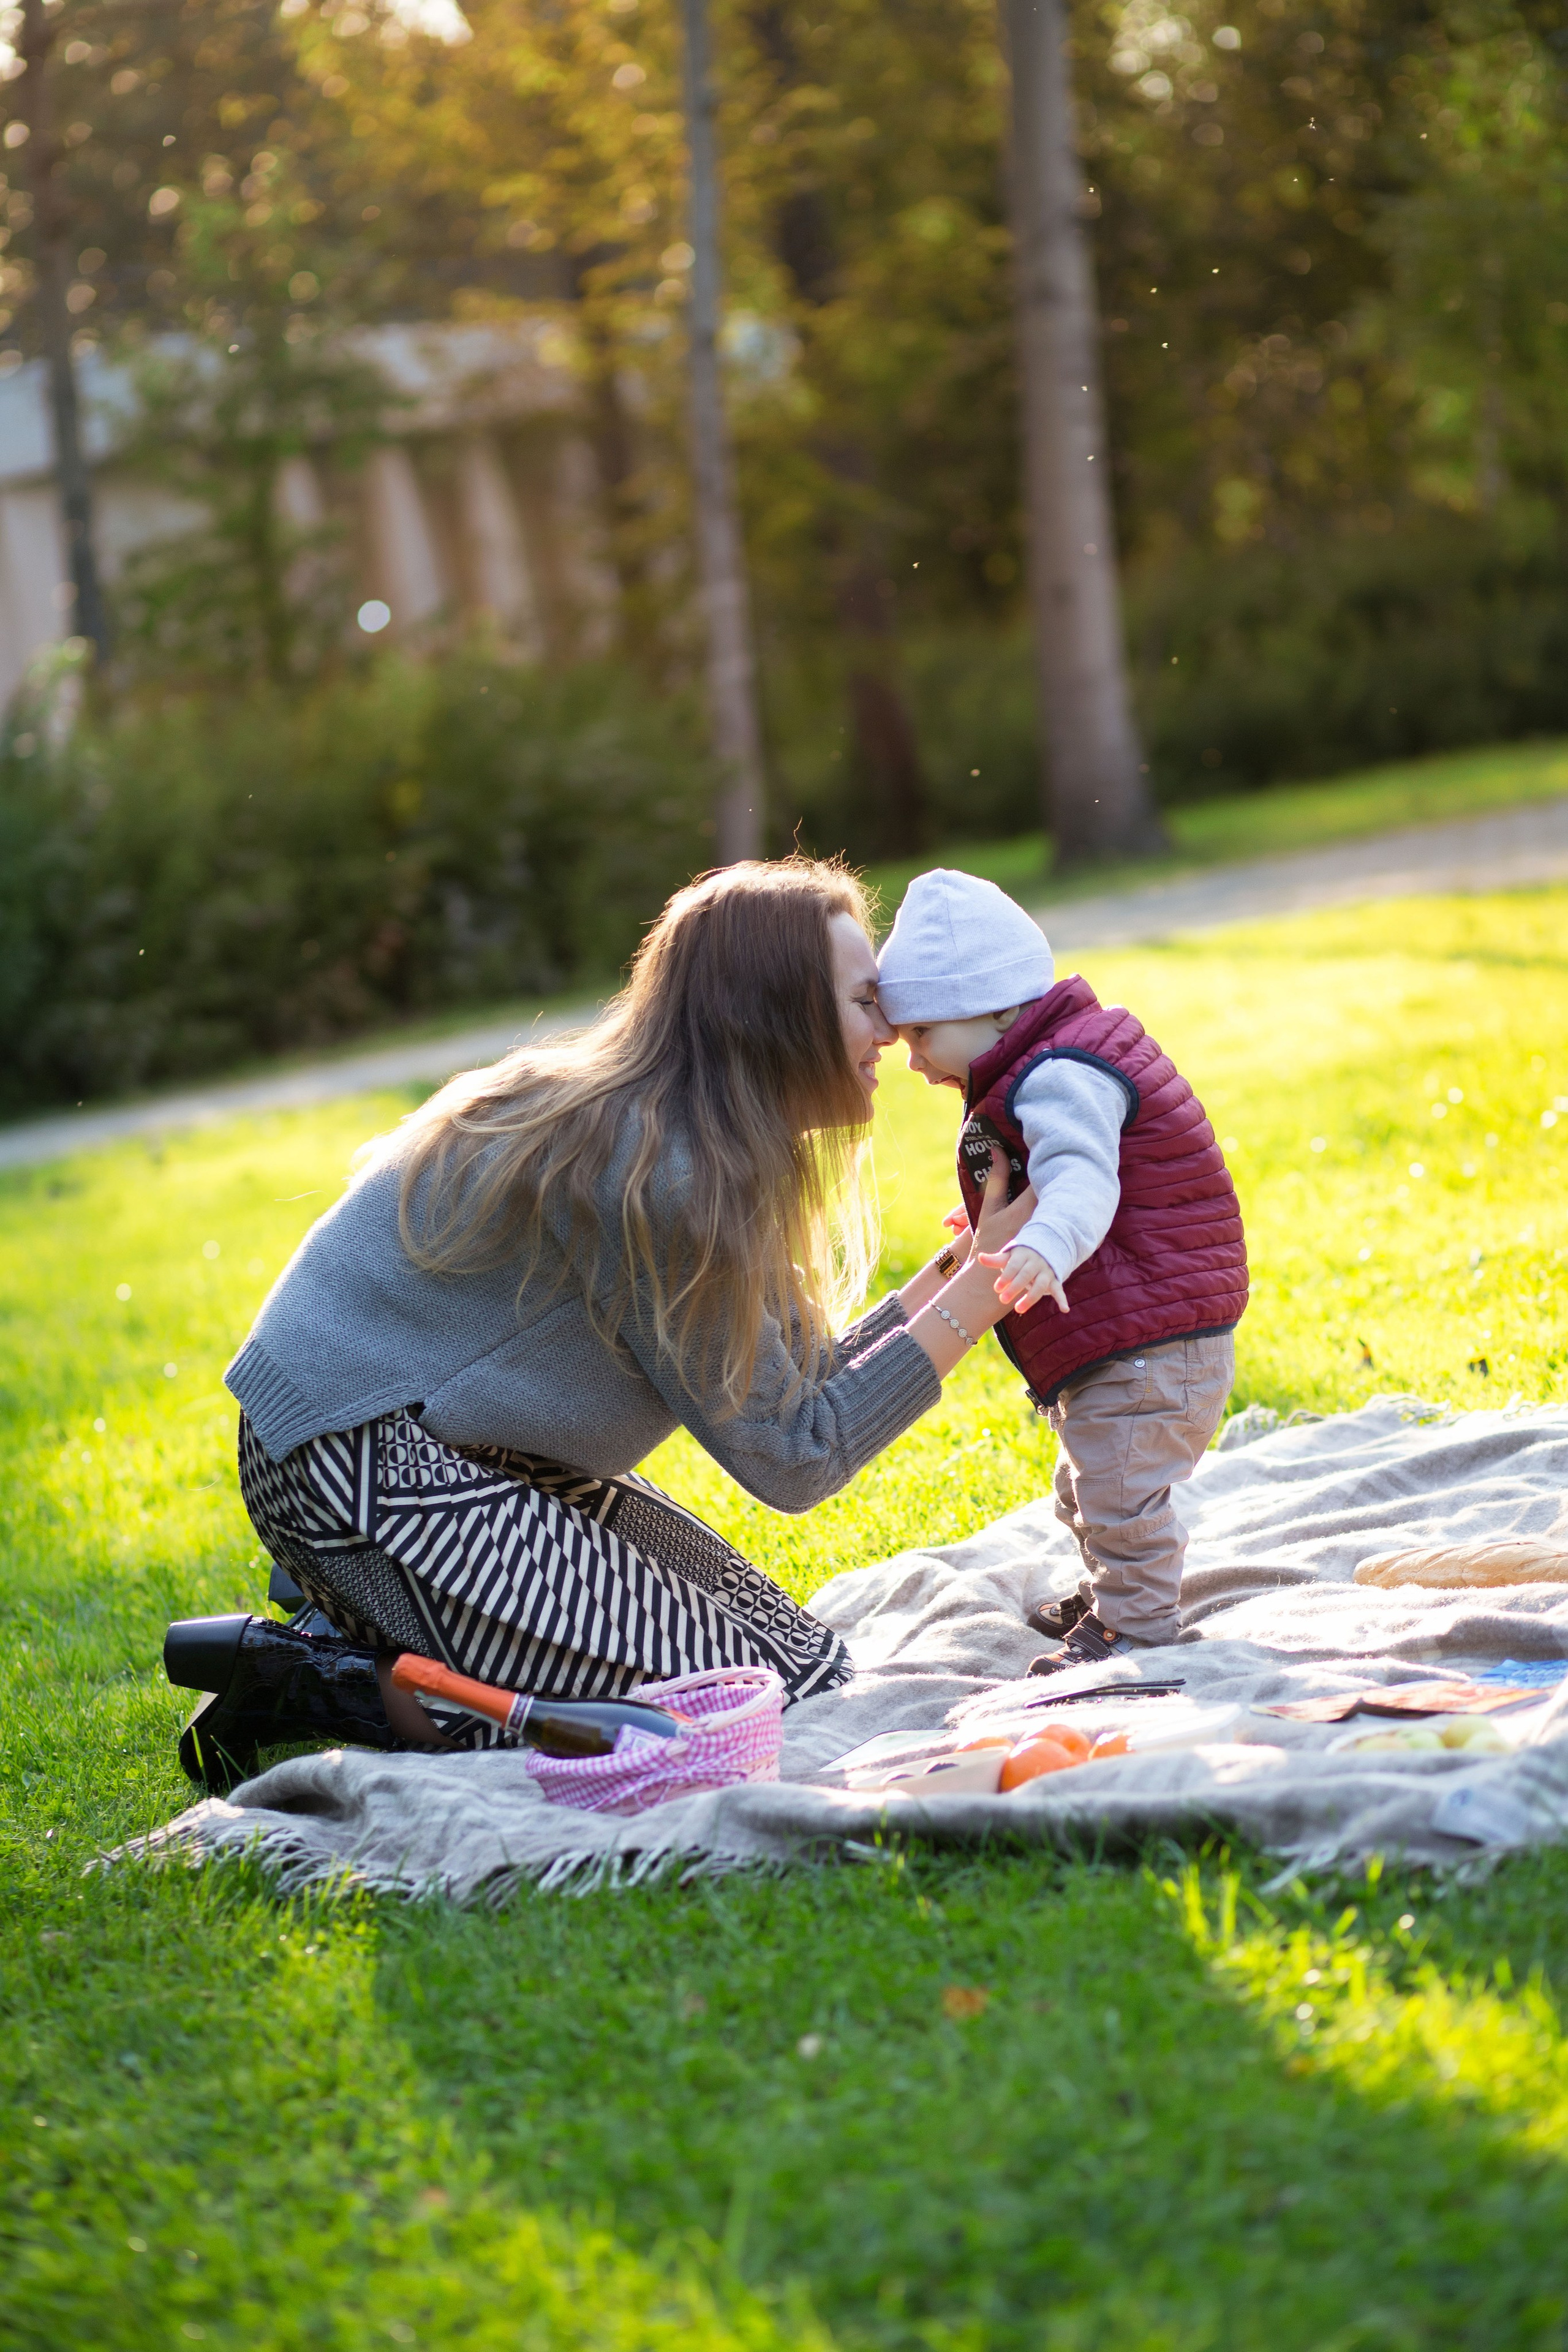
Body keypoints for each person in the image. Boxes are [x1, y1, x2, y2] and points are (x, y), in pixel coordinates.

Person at [169, 858, 1038, 1787]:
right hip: (349, 1453)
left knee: (805, 1668)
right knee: (711, 1722)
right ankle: (317, 1674)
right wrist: (987, 1294)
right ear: (775, 1013)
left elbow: (795, 1386)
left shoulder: (709, 1138)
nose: (893, 1028)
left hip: (465, 1448)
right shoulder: (664, 1171)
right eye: (867, 1001)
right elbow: (796, 1456)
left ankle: (378, 1607)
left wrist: (960, 1270)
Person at [876, 867, 1249, 1673]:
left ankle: (1138, 1629)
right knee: (1087, 1486)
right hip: (1144, 1330)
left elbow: (1084, 1177)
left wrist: (1045, 1243)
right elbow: (1049, 1172)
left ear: (993, 1009)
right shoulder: (1046, 1062)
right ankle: (1113, 1594)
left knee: (1117, 1491)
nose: (911, 1060)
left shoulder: (1058, 1075)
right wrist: (989, 1222)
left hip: (1155, 1341)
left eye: (921, 1035)